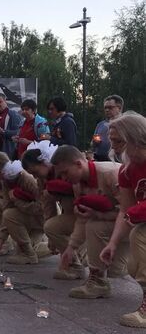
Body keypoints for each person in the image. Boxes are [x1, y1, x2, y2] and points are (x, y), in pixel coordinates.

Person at [51, 145, 128, 300]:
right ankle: (98, 279)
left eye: (65, 173)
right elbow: (82, 219)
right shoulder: (78, 184)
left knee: (117, 270)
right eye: (60, 175)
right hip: (115, 223)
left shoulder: (110, 174)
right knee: (92, 226)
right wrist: (71, 248)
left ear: (79, 164)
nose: (64, 179)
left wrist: (99, 214)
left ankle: (101, 279)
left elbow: (128, 212)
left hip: (135, 224)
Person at [100, 112, 146, 328]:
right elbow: (125, 210)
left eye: (119, 141)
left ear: (136, 138)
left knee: (139, 234)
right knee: (134, 267)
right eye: (112, 141)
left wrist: (134, 215)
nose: (114, 146)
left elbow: (133, 213)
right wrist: (113, 243)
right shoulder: (127, 171)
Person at [22, 141, 81, 280]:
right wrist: (51, 235)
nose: (35, 177)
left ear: (44, 162)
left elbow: (79, 189)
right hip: (71, 212)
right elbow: (47, 205)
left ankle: (79, 263)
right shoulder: (43, 179)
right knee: (52, 227)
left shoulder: (64, 169)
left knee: (117, 268)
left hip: (87, 213)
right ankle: (73, 264)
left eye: (35, 172)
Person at [0, 152, 45, 264]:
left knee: (10, 215)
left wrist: (18, 201)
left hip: (41, 219)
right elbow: (7, 205)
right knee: (8, 214)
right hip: (27, 216)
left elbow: (41, 208)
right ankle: (29, 250)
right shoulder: (6, 180)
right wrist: (1, 237)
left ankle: (30, 254)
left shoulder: (27, 178)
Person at [91, 95, 123, 161]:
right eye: (105, 108)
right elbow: (92, 144)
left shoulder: (125, 124)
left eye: (110, 107)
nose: (107, 110)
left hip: (118, 161)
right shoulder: (100, 124)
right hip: (100, 159)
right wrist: (94, 142)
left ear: (119, 108)